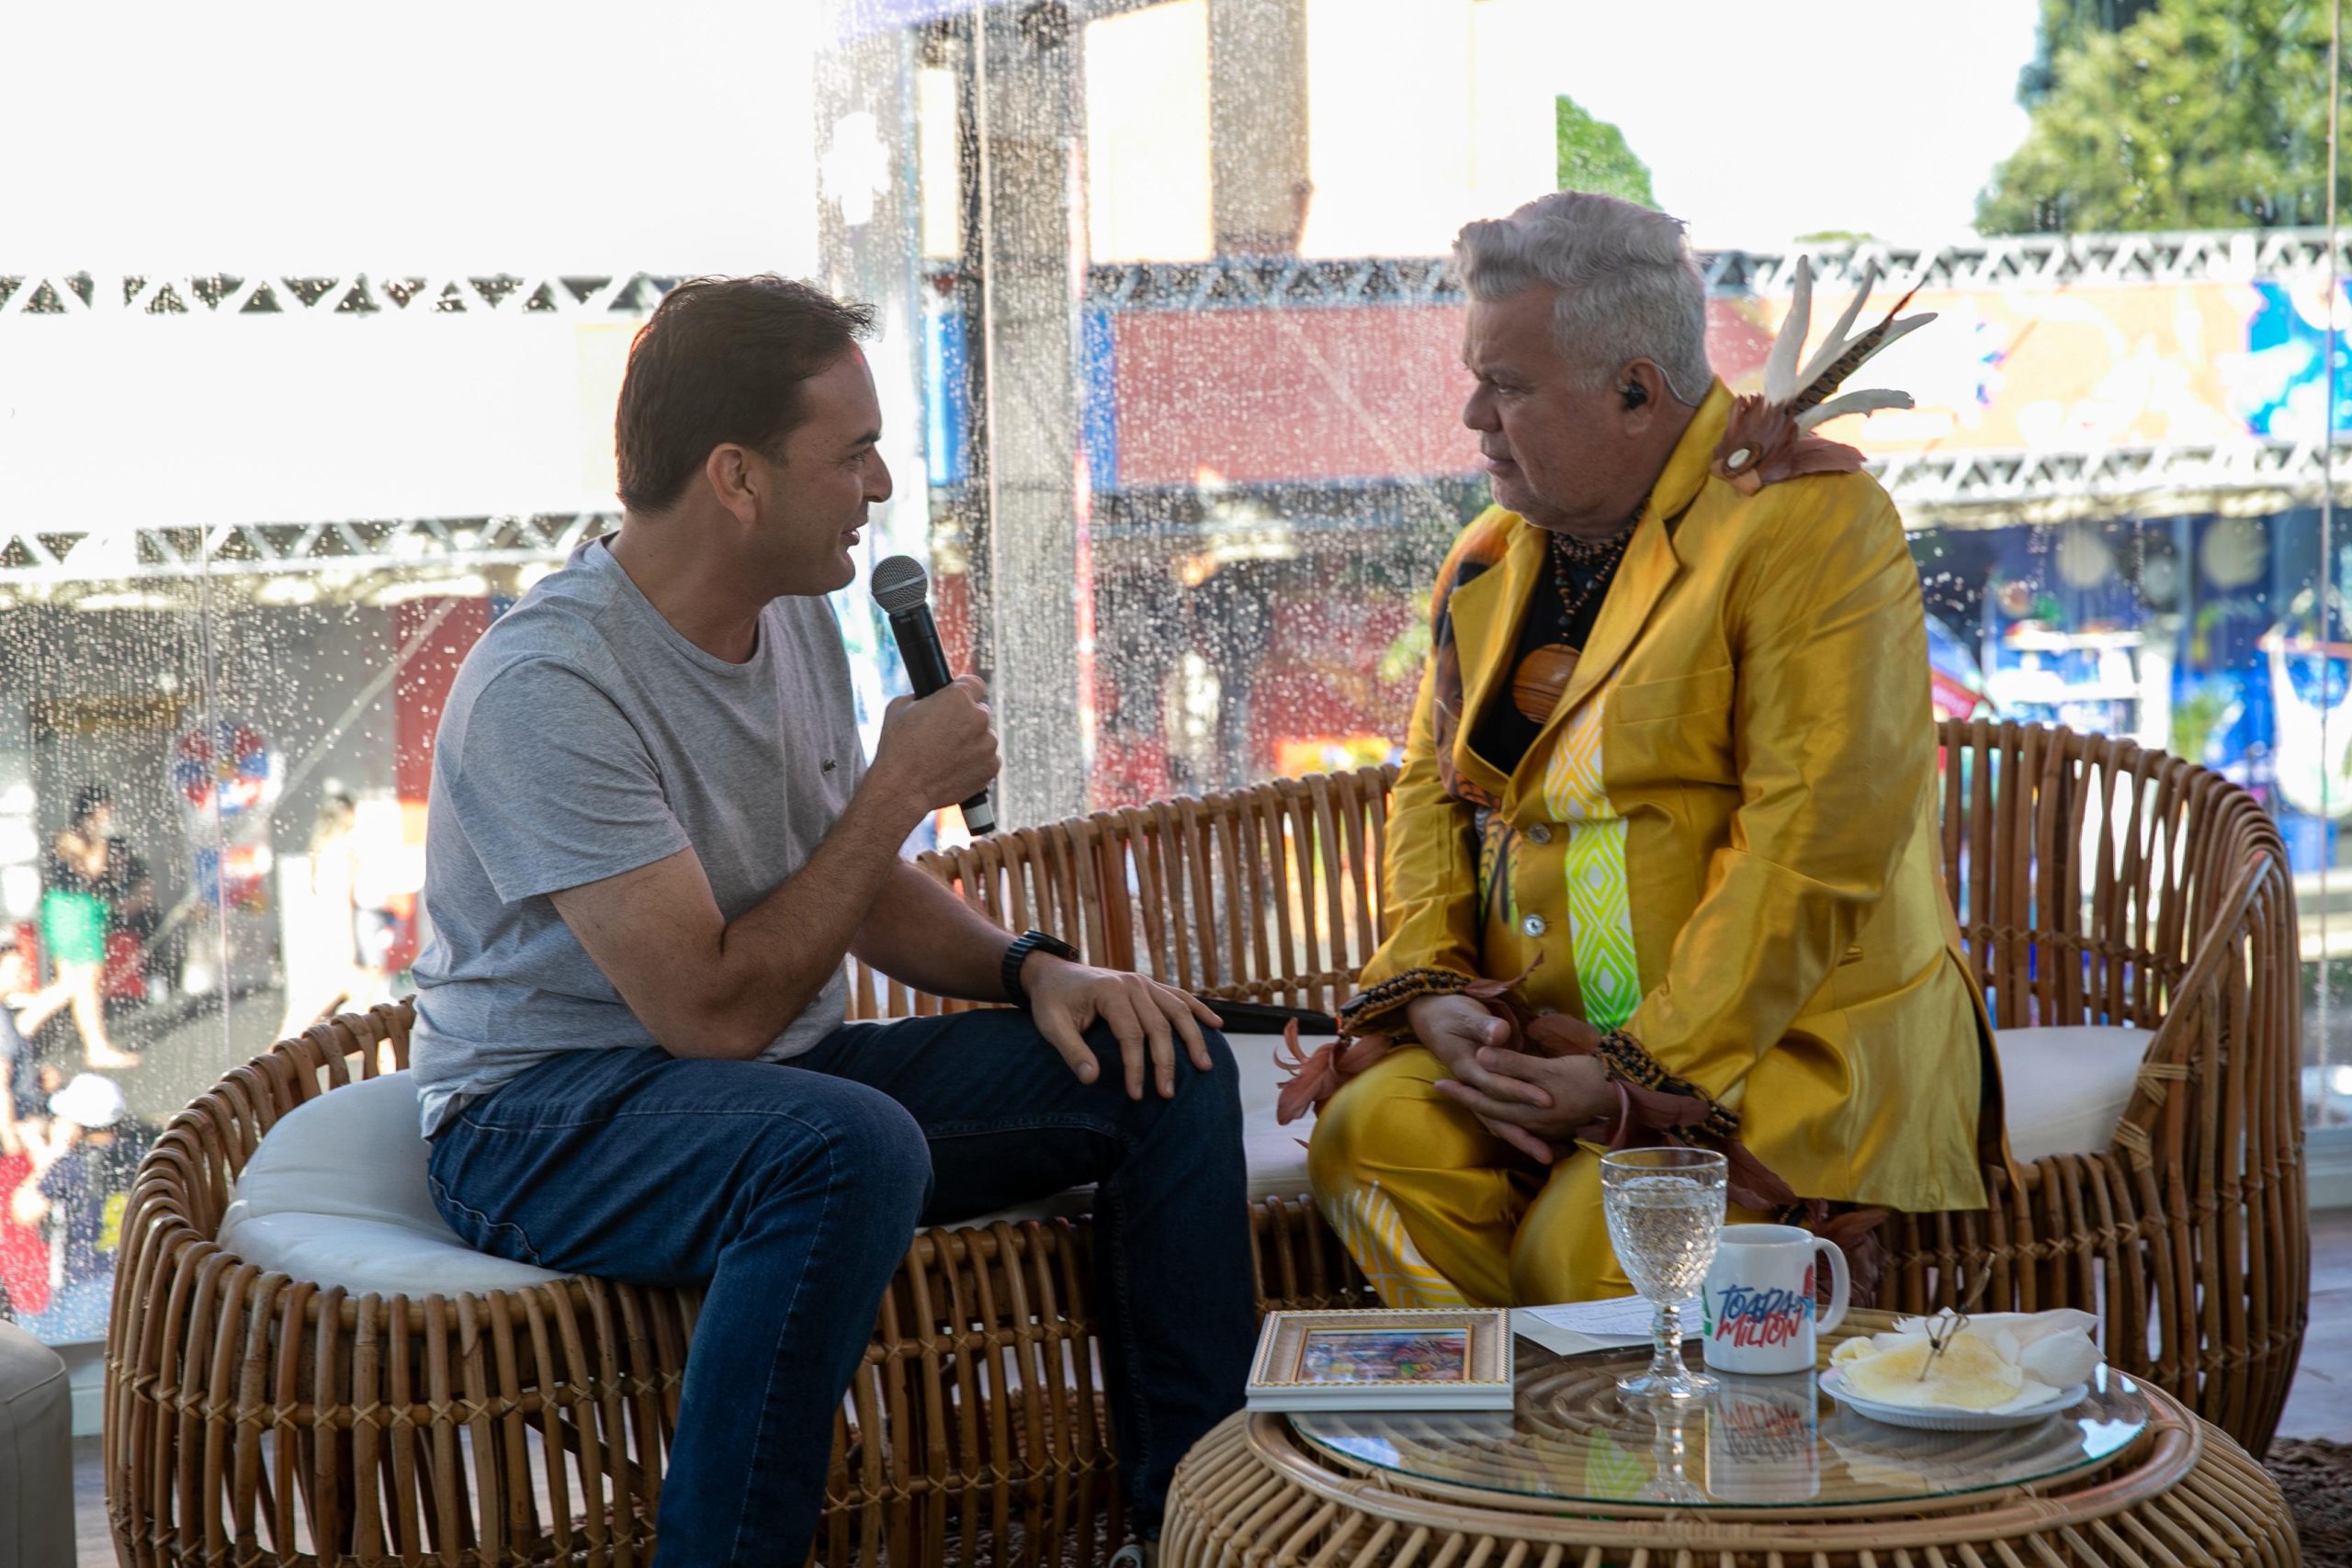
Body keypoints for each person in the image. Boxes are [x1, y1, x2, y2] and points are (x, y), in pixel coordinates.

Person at [410, 276, 1256, 1567]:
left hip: (769, 1086)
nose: (881, 487)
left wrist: (1033, 969)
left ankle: (1190, 1532)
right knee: (842, 1144)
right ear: (737, 478)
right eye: (853, 453)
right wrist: (898, 789)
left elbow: (838, 875)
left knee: (1160, 1062)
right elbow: (711, 1014)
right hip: (539, 1117)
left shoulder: (795, 612)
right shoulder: (550, 683)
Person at [1301, 192, 2002, 1309]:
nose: (1474, 416)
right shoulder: (1488, 554)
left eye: (1507, 385)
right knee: (1369, 1144)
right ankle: (1519, 1418)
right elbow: (1434, 793)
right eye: (1477, 378)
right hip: (1532, 1042)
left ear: (1635, 390)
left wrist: (1636, 1073)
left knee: (1592, 1253)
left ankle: (1591, 1416)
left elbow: (1814, 842)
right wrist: (1433, 992)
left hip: (1778, 1055)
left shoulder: (1811, 525)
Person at [10, 1071, 146, 1337]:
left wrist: (53, 1152)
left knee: (62, 1354)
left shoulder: (70, 1165)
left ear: (77, 1125)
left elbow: (24, 1211)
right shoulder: (138, 1155)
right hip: (133, 1275)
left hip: (84, 1284)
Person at [17, 785, 140, 1069]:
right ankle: (26, 1028)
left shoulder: (90, 837)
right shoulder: (71, 837)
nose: (110, 812)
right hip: (71, 911)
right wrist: (102, 838)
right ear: (92, 808)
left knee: (77, 982)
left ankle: (89, 1043)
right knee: (81, 979)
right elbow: (92, 870)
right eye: (105, 806)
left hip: (86, 909)